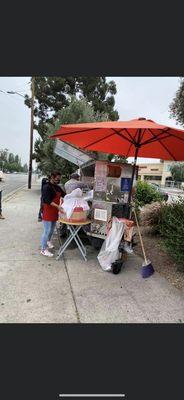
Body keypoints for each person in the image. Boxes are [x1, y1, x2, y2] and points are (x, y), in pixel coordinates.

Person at [40, 171, 65, 257]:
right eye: (57, 179)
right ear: (52, 177)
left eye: (59, 179)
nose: (58, 180)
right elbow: (46, 200)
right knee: (46, 230)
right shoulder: (46, 187)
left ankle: (48, 241)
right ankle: (43, 249)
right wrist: (58, 206)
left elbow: (64, 195)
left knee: (52, 229)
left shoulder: (57, 187)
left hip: (54, 211)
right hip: (47, 210)